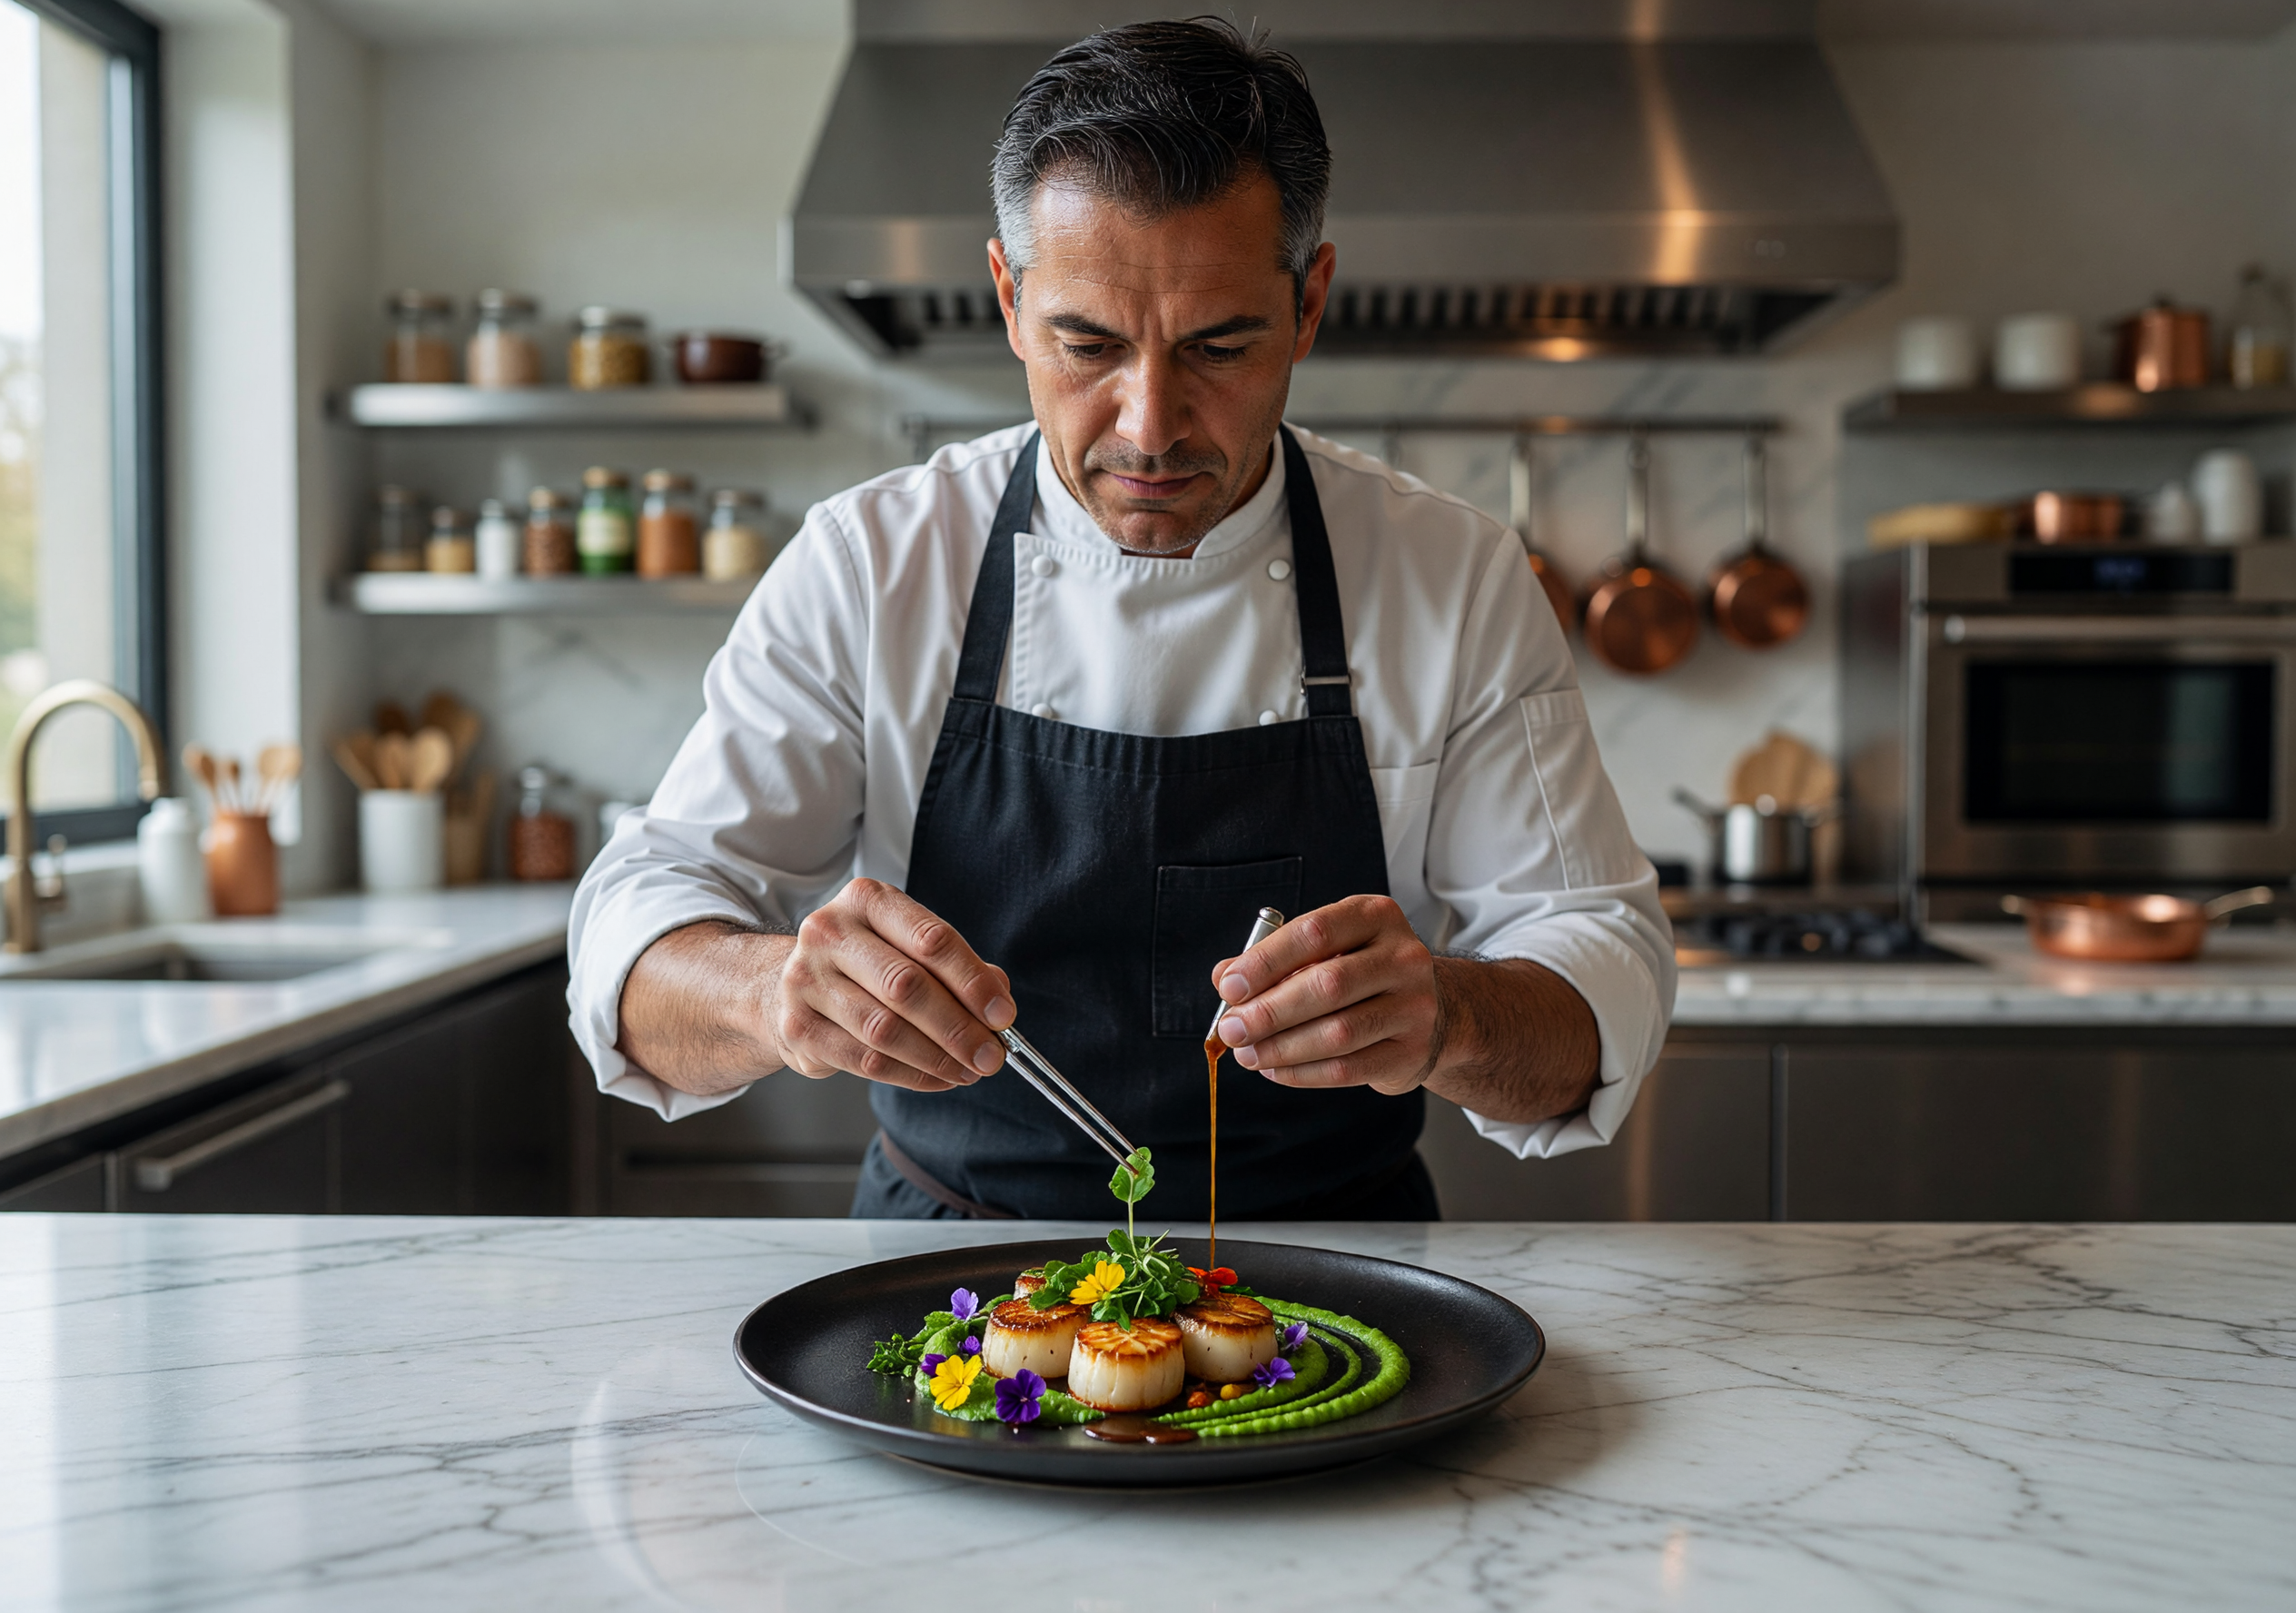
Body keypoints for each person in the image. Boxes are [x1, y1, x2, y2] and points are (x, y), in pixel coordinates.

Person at [569, 19, 1675, 1221]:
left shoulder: (1448, 574)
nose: (1149, 424)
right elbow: (636, 940)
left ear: (1309, 307)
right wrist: (774, 990)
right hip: (946, 1281)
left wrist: (1450, 1015)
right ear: (1006, 298)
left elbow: (1601, 972)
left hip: (1344, 1283)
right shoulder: (871, 563)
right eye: (1086, 344)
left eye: (1220, 345)